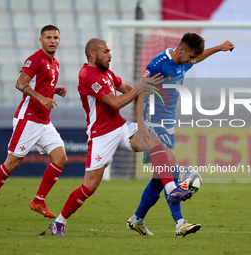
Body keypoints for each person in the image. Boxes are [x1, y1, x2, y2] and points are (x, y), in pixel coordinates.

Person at [48, 38, 194, 236]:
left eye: (110, 51)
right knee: (90, 186)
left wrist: (151, 90)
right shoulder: (87, 76)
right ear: (92, 54)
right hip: (100, 135)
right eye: (106, 51)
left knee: (155, 140)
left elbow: (129, 90)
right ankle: (59, 222)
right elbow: (116, 103)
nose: (110, 55)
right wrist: (142, 87)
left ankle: (171, 189)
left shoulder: (107, 74)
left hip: (120, 127)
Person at [127, 33, 235, 237]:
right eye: (191, 56)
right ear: (181, 49)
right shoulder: (158, 65)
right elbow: (140, 93)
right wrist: (141, 126)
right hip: (153, 122)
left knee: (160, 179)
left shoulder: (184, 61)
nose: (192, 61)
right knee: (172, 163)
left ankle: (137, 219)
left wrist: (219, 48)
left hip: (168, 124)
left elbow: (197, 58)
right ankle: (180, 223)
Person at [0, 25, 68, 220]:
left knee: (61, 158)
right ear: (41, 40)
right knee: (12, 163)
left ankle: (38, 201)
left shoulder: (55, 63)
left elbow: (41, 85)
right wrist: (41, 98)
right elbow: (20, 83)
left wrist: (53, 91)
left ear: (59, 40)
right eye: (48, 37)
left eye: (56, 37)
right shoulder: (35, 59)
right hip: (28, 119)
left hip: (44, 120)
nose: (52, 40)